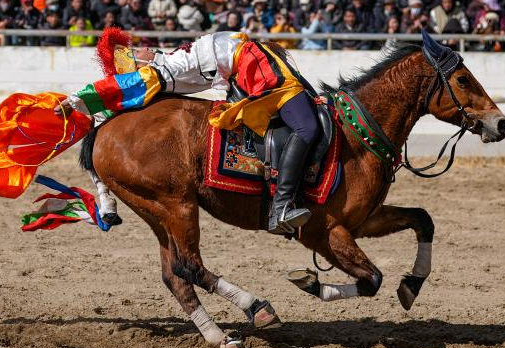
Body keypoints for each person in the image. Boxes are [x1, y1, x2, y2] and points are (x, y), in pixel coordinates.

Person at [58, 32, 319, 235]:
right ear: (140, 65)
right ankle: (282, 205)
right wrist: (77, 99)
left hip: (246, 66)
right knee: (307, 124)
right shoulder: (163, 70)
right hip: (254, 60)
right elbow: (118, 87)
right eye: (136, 52)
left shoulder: (171, 62)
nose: (143, 48)